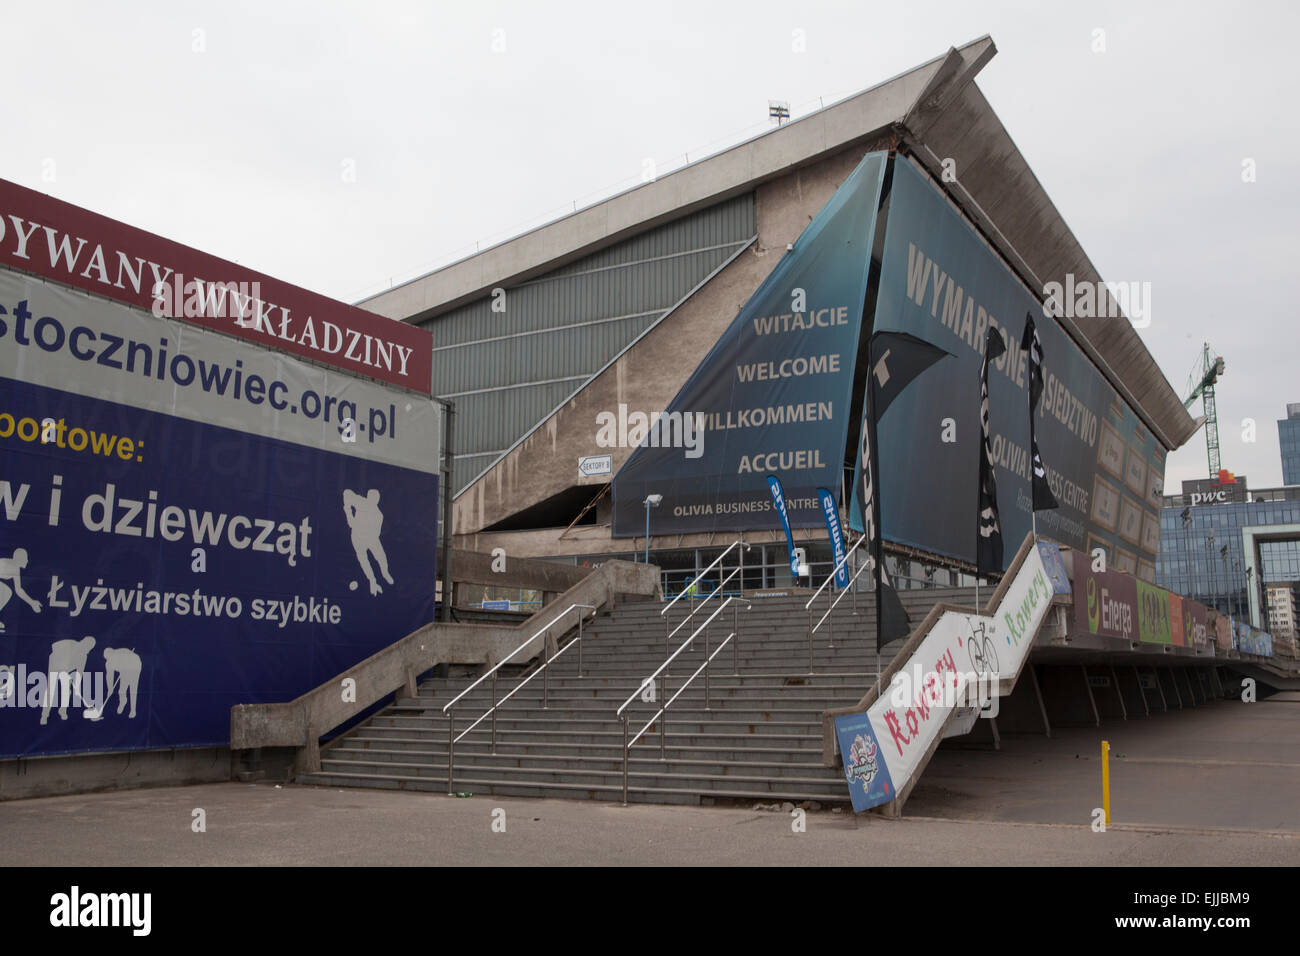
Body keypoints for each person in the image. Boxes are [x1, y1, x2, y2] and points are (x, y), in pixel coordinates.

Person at [0, 548, 41, 630]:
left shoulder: (15, 569)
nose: (27, 561)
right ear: (20, 559)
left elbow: (19, 590)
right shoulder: (4, 562)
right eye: (26, 558)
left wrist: (32, 602)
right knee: (5, 590)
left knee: (7, 591)